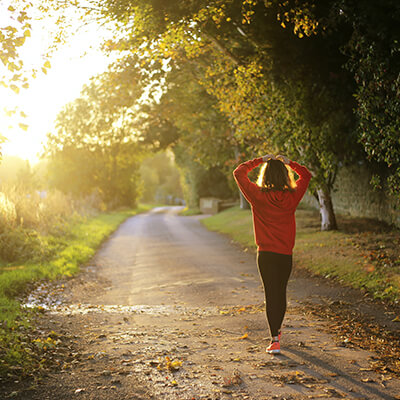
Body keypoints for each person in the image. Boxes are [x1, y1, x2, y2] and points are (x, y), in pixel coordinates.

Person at [233, 154, 312, 354]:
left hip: (266, 255)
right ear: (285, 176)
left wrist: (260, 160)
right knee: (281, 293)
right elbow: (306, 175)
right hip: (284, 254)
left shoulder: (257, 195)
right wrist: (290, 162)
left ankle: (274, 339)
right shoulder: (292, 197)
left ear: (265, 175)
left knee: (271, 295)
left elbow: (239, 172)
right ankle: (277, 332)